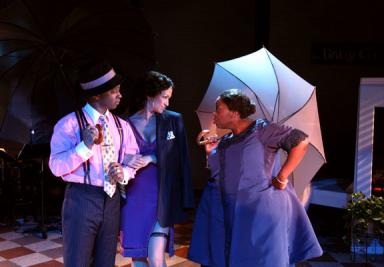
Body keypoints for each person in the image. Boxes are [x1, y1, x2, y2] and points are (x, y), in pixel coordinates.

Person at [188, 89, 323, 267]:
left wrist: (282, 176)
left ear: (234, 113)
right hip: (233, 212)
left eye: (219, 109)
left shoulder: (262, 130)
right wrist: (210, 151)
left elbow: (300, 141)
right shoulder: (227, 140)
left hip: (260, 213)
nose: (214, 114)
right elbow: (219, 176)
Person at [49, 61, 141, 267]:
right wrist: (84, 146)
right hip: (81, 199)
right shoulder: (69, 124)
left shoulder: (122, 126)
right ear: (97, 95)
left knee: (105, 262)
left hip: (112, 200)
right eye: (114, 91)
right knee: (78, 261)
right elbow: (56, 166)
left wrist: (124, 173)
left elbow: (133, 159)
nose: (120, 95)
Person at [120, 71, 194, 267]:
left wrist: (151, 158)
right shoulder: (125, 125)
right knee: (138, 258)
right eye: (165, 97)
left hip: (162, 198)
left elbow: (181, 159)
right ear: (150, 95)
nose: (167, 103)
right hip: (134, 197)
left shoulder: (174, 120)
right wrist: (126, 158)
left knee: (156, 256)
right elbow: (114, 158)